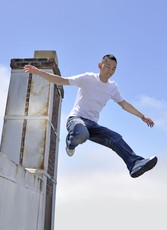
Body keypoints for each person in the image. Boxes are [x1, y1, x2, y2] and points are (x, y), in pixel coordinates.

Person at [24, 54, 157, 178]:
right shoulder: (87, 78)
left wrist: (142, 116)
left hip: (93, 125)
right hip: (76, 119)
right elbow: (61, 81)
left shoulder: (112, 87)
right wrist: (38, 72)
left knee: (115, 138)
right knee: (81, 132)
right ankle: (70, 144)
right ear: (100, 66)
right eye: (108, 67)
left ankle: (134, 163)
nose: (110, 71)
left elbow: (124, 104)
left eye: (114, 69)